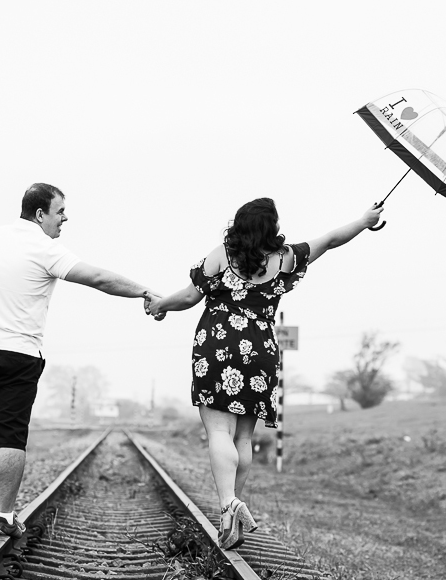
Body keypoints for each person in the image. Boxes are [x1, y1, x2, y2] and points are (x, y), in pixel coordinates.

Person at [147, 198, 383, 549]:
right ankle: (231, 514)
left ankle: (228, 503)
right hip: (260, 350)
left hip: (218, 344)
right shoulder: (285, 259)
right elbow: (332, 239)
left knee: (218, 431)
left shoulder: (222, 255)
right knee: (243, 438)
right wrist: (364, 220)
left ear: (239, 224)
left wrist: (160, 305)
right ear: (272, 227)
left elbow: (188, 298)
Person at [0, 183, 162, 538]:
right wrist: (145, 291)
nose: (65, 218)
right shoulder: (46, 249)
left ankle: (1, 513)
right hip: (17, 353)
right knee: (9, 436)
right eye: (60, 211)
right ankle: (3, 514)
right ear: (40, 214)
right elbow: (99, 278)